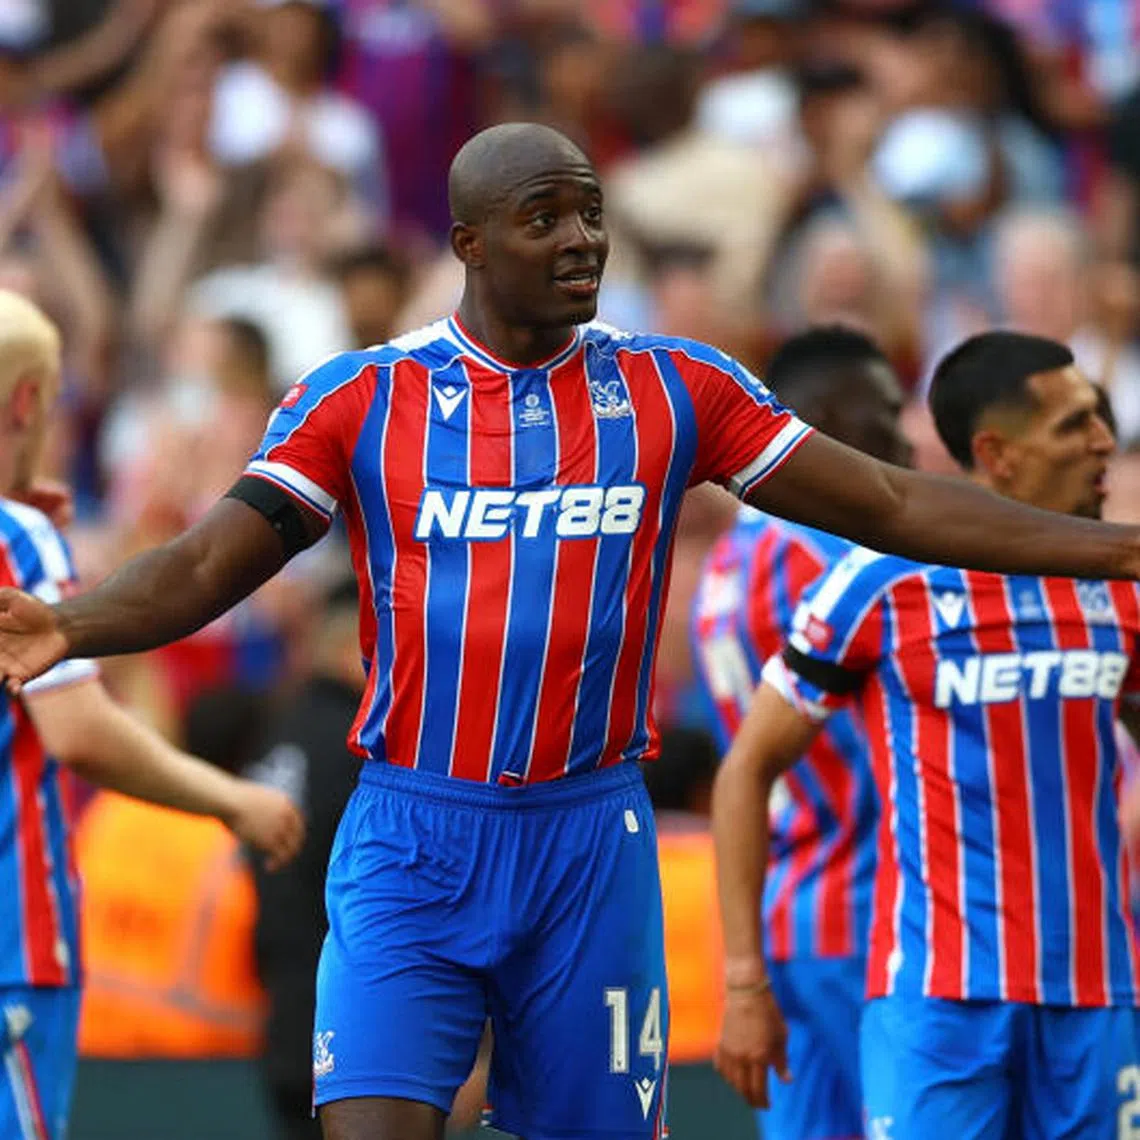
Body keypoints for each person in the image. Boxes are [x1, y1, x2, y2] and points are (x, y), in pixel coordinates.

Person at [1, 124, 1140, 1140]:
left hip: (589, 839)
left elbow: (891, 504)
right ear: (469, 243)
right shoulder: (360, 399)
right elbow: (207, 562)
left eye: (591, 213)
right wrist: (68, 622)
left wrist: (1125, 549)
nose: (580, 239)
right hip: (412, 831)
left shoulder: (677, 390)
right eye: (543, 218)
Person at [712, 330, 1140, 1137]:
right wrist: (743, 981)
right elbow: (747, 769)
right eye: (1076, 423)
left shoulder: (1117, 585)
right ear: (997, 453)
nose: (1103, 442)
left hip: (1099, 993)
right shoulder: (882, 581)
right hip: (936, 1002)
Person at [0, 288, 304, 1140]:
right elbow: (80, 730)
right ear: (28, 403)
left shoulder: (32, 535)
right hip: (12, 948)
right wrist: (232, 799)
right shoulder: (20, 540)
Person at [691, 326, 910, 1139]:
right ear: (822, 417)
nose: (902, 435)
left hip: (782, 909)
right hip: (865, 909)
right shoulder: (828, 559)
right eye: (883, 412)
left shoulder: (728, 560)